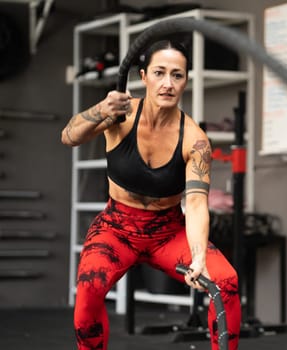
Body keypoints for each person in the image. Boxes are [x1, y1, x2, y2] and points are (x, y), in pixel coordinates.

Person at [61, 39, 241, 350]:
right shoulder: (119, 115)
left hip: (168, 232)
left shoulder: (196, 140)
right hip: (116, 228)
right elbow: (69, 136)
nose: (168, 84)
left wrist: (198, 258)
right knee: (89, 289)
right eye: (159, 73)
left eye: (177, 75)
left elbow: (197, 204)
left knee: (226, 282)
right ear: (143, 77)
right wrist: (99, 110)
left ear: (186, 80)